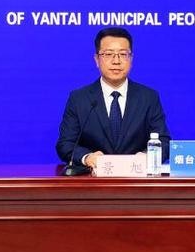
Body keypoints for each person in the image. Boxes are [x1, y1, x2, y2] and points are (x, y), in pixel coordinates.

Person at [56, 27, 170, 170]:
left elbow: (164, 142)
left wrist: (146, 156)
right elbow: (65, 144)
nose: (116, 61)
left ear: (131, 59)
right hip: (93, 179)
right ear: (97, 60)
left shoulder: (148, 97)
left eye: (123, 54)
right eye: (108, 54)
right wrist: (87, 157)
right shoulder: (79, 99)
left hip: (136, 177)